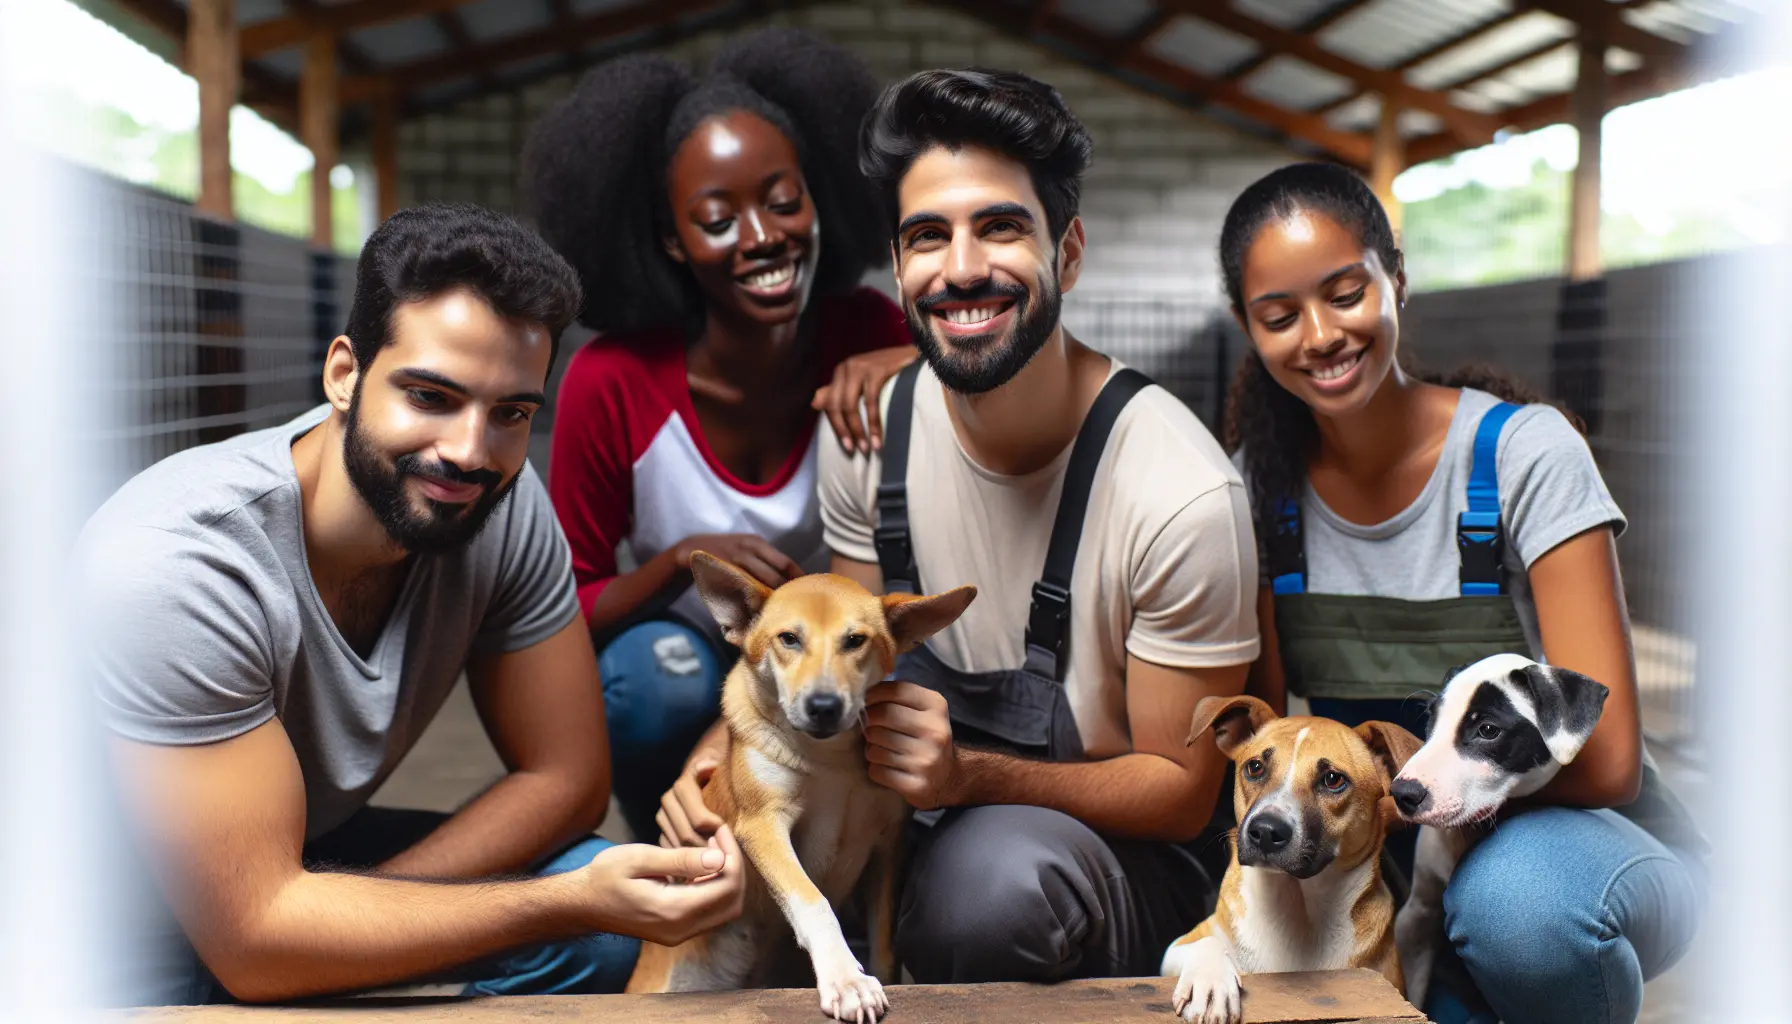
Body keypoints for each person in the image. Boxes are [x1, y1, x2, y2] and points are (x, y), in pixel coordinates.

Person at [660, 67, 1260, 984]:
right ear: (900, 268)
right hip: (923, 828)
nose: (963, 267)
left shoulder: (1181, 494)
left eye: (1002, 227)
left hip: (1114, 862)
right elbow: (836, 637)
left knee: (983, 891)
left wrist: (969, 777)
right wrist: (719, 759)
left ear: (1067, 254)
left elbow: (1181, 796)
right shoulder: (868, 435)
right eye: (928, 237)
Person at [78, 203, 744, 1006]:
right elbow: (251, 942)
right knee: (571, 903)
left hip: (296, 862)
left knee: (606, 922)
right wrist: (548, 903)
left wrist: (350, 924)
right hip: (101, 916)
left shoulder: (501, 501)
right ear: (344, 375)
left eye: (511, 413)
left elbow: (566, 779)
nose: (469, 451)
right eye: (431, 396)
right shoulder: (178, 563)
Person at [1219, 162, 1705, 1024]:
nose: (1321, 334)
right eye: (1280, 316)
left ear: (1397, 278)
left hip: (1582, 845)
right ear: (1247, 328)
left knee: (1521, 917)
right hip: (1406, 853)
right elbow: (1265, 734)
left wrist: (1425, 800)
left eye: (1345, 294)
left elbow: (1610, 760)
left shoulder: (1523, 455)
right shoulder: (1258, 486)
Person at [522, 29, 915, 844]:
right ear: (672, 240)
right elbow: (567, 604)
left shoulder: (870, 329)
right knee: (651, 683)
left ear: (820, 200)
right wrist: (679, 561)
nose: (762, 236)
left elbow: (979, 385)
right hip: (690, 657)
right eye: (717, 219)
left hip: (831, 664)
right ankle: (680, 838)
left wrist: (913, 359)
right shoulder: (611, 379)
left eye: (783, 201)